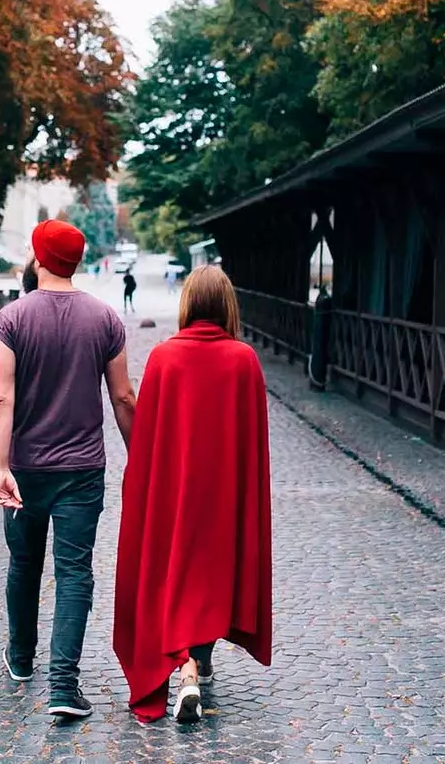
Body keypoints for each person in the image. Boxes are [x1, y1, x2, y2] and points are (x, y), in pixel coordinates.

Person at [0, 219, 137, 719]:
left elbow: (1, 398)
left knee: (23, 563)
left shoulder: (12, 318)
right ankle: (63, 686)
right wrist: (139, 459)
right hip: (81, 471)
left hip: (25, 469)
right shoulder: (104, 319)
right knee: (74, 573)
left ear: (38, 259)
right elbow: (122, 397)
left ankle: (21, 658)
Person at [113, 265, 273, 723]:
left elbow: (149, 438)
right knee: (209, 578)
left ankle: (188, 668)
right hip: (224, 497)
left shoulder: (164, 358)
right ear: (228, 306)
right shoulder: (244, 360)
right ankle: (193, 668)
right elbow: (252, 446)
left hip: (176, 492)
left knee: (177, 573)